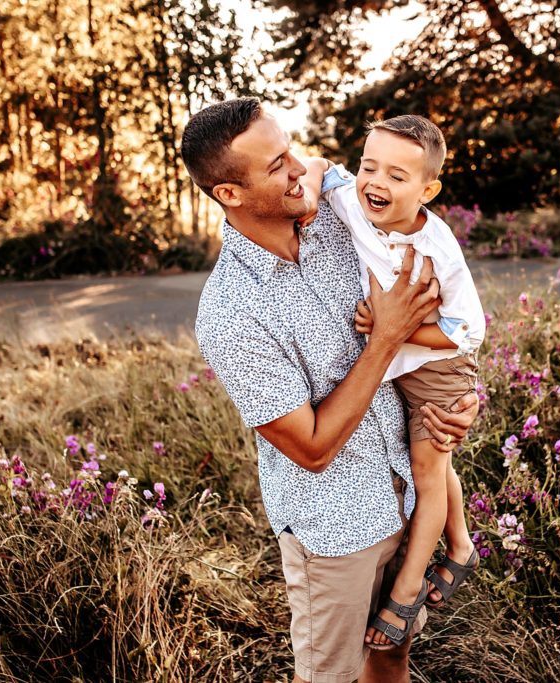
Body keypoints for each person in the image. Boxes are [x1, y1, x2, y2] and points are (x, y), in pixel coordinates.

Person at [181, 97, 479, 683]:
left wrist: (452, 407)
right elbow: (312, 449)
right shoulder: (231, 313)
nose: (298, 167)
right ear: (230, 195)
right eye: (276, 166)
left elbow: (448, 318)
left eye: (288, 149)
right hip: (336, 531)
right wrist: (386, 339)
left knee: (392, 655)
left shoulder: (346, 222)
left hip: (407, 492)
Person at [298, 115, 484, 649]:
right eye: (369, 166)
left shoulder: (438, 248)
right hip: (396, 363)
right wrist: (311, 188)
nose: (376, 182)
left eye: (397, 176)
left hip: (437, 369)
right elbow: (319, 168)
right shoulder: (356, 200)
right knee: (435, 465)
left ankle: (404, 595)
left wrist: (396, 330)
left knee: (429, 474)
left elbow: (468, 330)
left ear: (428, 189)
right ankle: (462, 545)